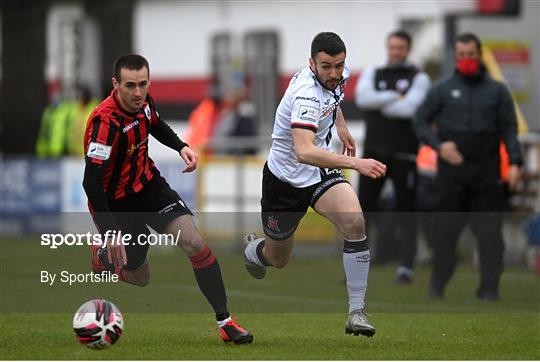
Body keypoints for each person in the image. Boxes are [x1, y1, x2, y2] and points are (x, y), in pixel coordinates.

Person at [82, 54, 253, 344]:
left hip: (150, 186)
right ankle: (103, 256)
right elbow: (91, 182)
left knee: (194, 241)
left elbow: (156, 124)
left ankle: (225, 321)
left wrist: (181, 147)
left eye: (143, 84)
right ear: (116, 84)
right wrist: (111, 232)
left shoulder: (144, 102)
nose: (138, 92)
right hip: (118, 204)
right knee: (141, 276)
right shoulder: (104, 122)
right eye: (130, 85)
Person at [242, 32, 386, 337]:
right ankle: (255, 251)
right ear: (312, 64)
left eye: (339, 65)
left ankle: (356, 313)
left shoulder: (336, 73)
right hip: (285, 181)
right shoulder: (306, 94)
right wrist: (357, 164)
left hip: (320, 172)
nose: (334, 73)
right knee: (277, 259)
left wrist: (342, 126)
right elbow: (304, 151)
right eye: (326, 67)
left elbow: (334, 97)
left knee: (355, 223)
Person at [413, 33, 523, 301]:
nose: (466, 60)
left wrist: (516, 162)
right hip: (452, 177)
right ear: (456, 56)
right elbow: (420, 122)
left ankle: (489, 290)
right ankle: (438, 284)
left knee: (489, 235)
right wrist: (440, 146)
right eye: (461, 55)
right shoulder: (441, 89)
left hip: (486, 174)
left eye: (470, 55)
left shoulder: (497, 91)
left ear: (479, 53)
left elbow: (509, 129)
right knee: (445, 233)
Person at [355, 30, 431, 283]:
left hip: (404, 155)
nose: (395, 51)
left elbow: (410, 108)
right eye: (392, 47)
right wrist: (391, 97)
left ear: (407, 49)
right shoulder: (373, 73)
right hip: (374, 156)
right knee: (363, 211)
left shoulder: (419, 78)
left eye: (400, 47)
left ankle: (406, 265)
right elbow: (363, 99)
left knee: (405, 211)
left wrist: (381, 102)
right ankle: (359, 264)